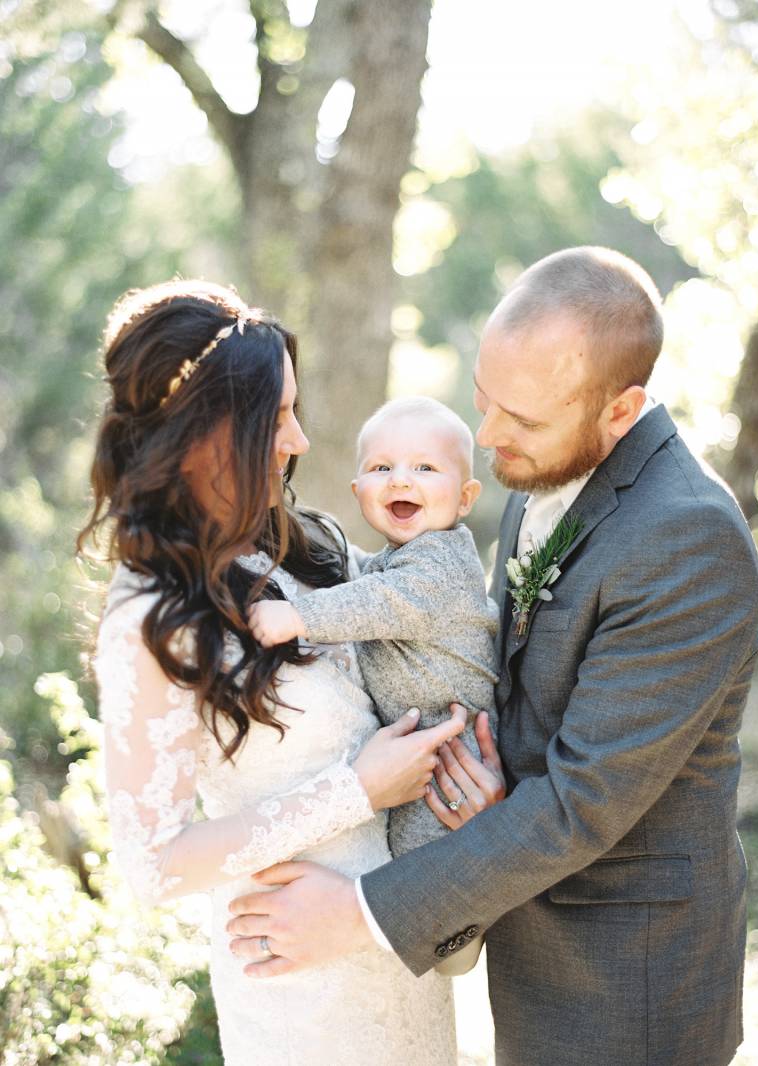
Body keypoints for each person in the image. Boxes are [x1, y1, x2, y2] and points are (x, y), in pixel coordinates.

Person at [226, 248, 758, 1066]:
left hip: (626, 985)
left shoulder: (686, 536)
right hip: (528, 948)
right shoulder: (543, 468)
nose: (487, 437)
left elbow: (586, 802)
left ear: (620, 412)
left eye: (522, 419)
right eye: (486, 401)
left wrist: (360, 912)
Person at [79, 279, 504, 1066]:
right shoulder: (148, 620)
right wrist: (357, 790)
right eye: (275, 417)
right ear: (208, 431)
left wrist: (470, 787)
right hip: (301, 994)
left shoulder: (313, 550)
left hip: (398, 954)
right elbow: (152, 865)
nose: (300, 440)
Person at [248, 395, 501, 975]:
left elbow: (380, 601)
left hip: (451, 749)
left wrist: (298, 617)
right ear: (359, 487)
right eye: (383, 468)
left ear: (465, 498)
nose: (401, 480)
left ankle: (457, 947)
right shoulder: (395, 557)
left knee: (426, 857)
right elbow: (362, 575)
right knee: (406, 855)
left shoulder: (443, 565)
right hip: (422, 747)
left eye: (424, 468)